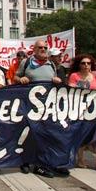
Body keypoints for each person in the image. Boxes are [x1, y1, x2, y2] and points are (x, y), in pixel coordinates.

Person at [14, 40, 63, 178]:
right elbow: (15, 77)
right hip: (29, 107)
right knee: (27, 134)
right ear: (34, 49)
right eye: (40, 47)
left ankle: (40, 165)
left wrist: (56, 80)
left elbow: (55, 80)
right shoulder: (26, 62)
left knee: (44, 136)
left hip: (47, 108)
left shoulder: (51, 64)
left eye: (45, 47)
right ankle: (24, 162)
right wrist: (20, 79)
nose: (43, 49)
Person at [68, 54, 96, 174]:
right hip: (80, 110)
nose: (86, 65)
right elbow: (70, 87)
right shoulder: (74, 76)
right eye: (83, 63)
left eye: (88, 63)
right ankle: (80, 159)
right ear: (79, 65)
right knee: (82, 133)